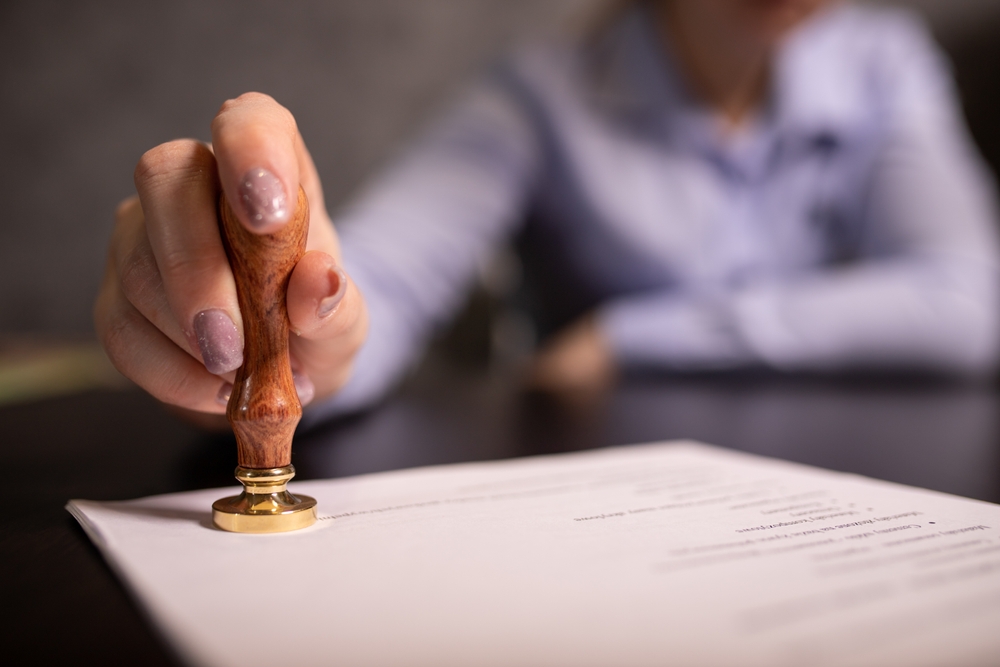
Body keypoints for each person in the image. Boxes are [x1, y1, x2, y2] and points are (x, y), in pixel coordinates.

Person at [95, 0, 1000, 424]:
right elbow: (379, 291)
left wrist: (631, 337)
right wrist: (293, 320)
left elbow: (972, 300)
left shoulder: (888, 63)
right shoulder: (540, 97)